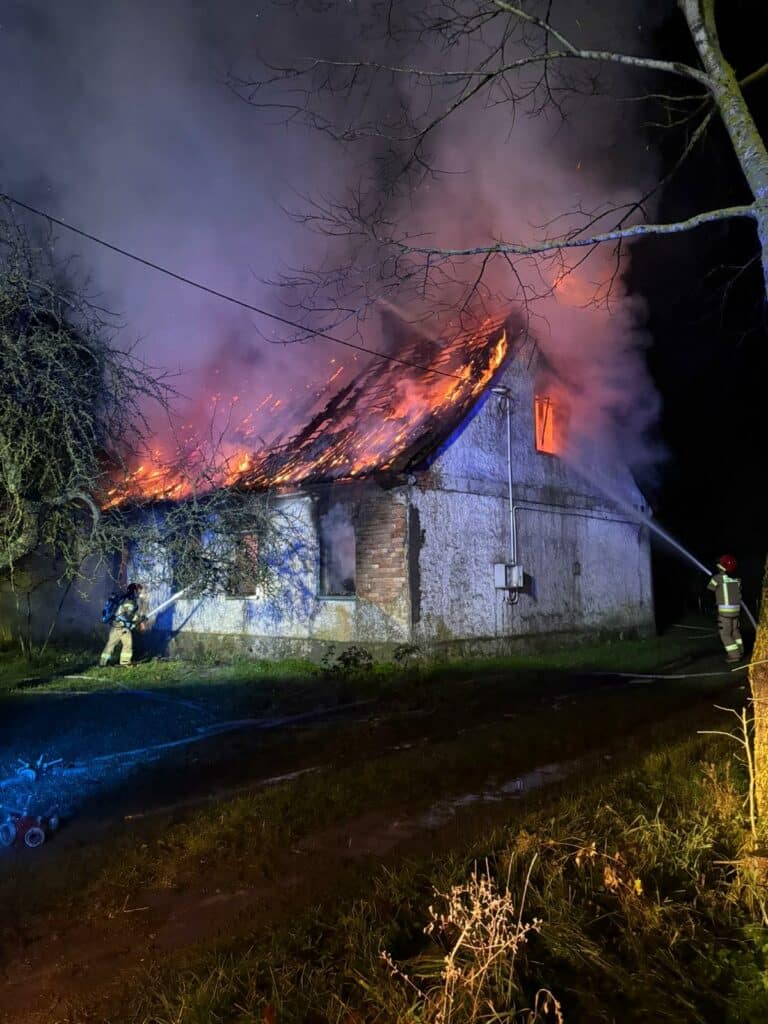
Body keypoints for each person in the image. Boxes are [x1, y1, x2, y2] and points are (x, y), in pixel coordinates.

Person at [706, 555, 744, 663]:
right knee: (735, 632)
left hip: (725, 613)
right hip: (736, 611)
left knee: (725, 634)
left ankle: (735, 656)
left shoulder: (717, 578)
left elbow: (709, 591)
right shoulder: (737, 579)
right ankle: (740, 651)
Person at [99, 583, 144, 666]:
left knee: (111, 644)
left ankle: (102, 662)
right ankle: (125, 661)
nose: (139, 593)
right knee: (128, 643)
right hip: (122, 627)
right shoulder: (131, 601)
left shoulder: (123, 599)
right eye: (138, 591)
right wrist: (139, 618)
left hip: (115, 625)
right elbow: (128, 616)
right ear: (134, 591)